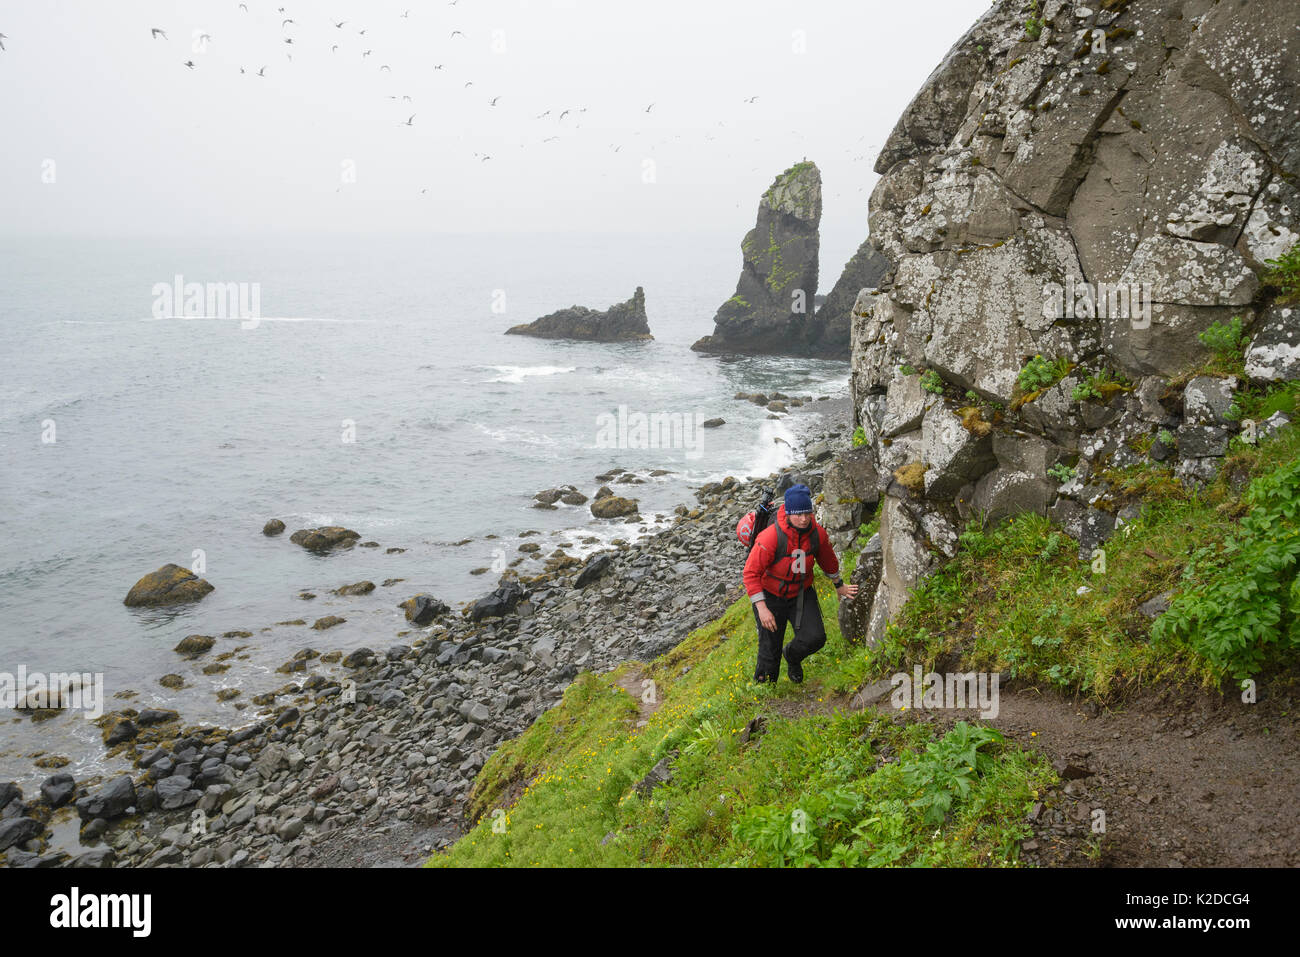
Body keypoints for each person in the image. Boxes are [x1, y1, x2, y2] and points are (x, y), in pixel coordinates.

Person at [742, 483, 858, 683]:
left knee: (815, 638)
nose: (804, 519)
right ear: (788, 513)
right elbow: (750, 573)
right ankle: (764, 693)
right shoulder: (770, 537)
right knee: (770, 649)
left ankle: (792, 657)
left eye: (807, 513)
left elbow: (828, 561)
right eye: (798, 514)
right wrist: (761, 608)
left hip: (801, 594)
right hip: (770, 596)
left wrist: (839, 585)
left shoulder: (817, 533)